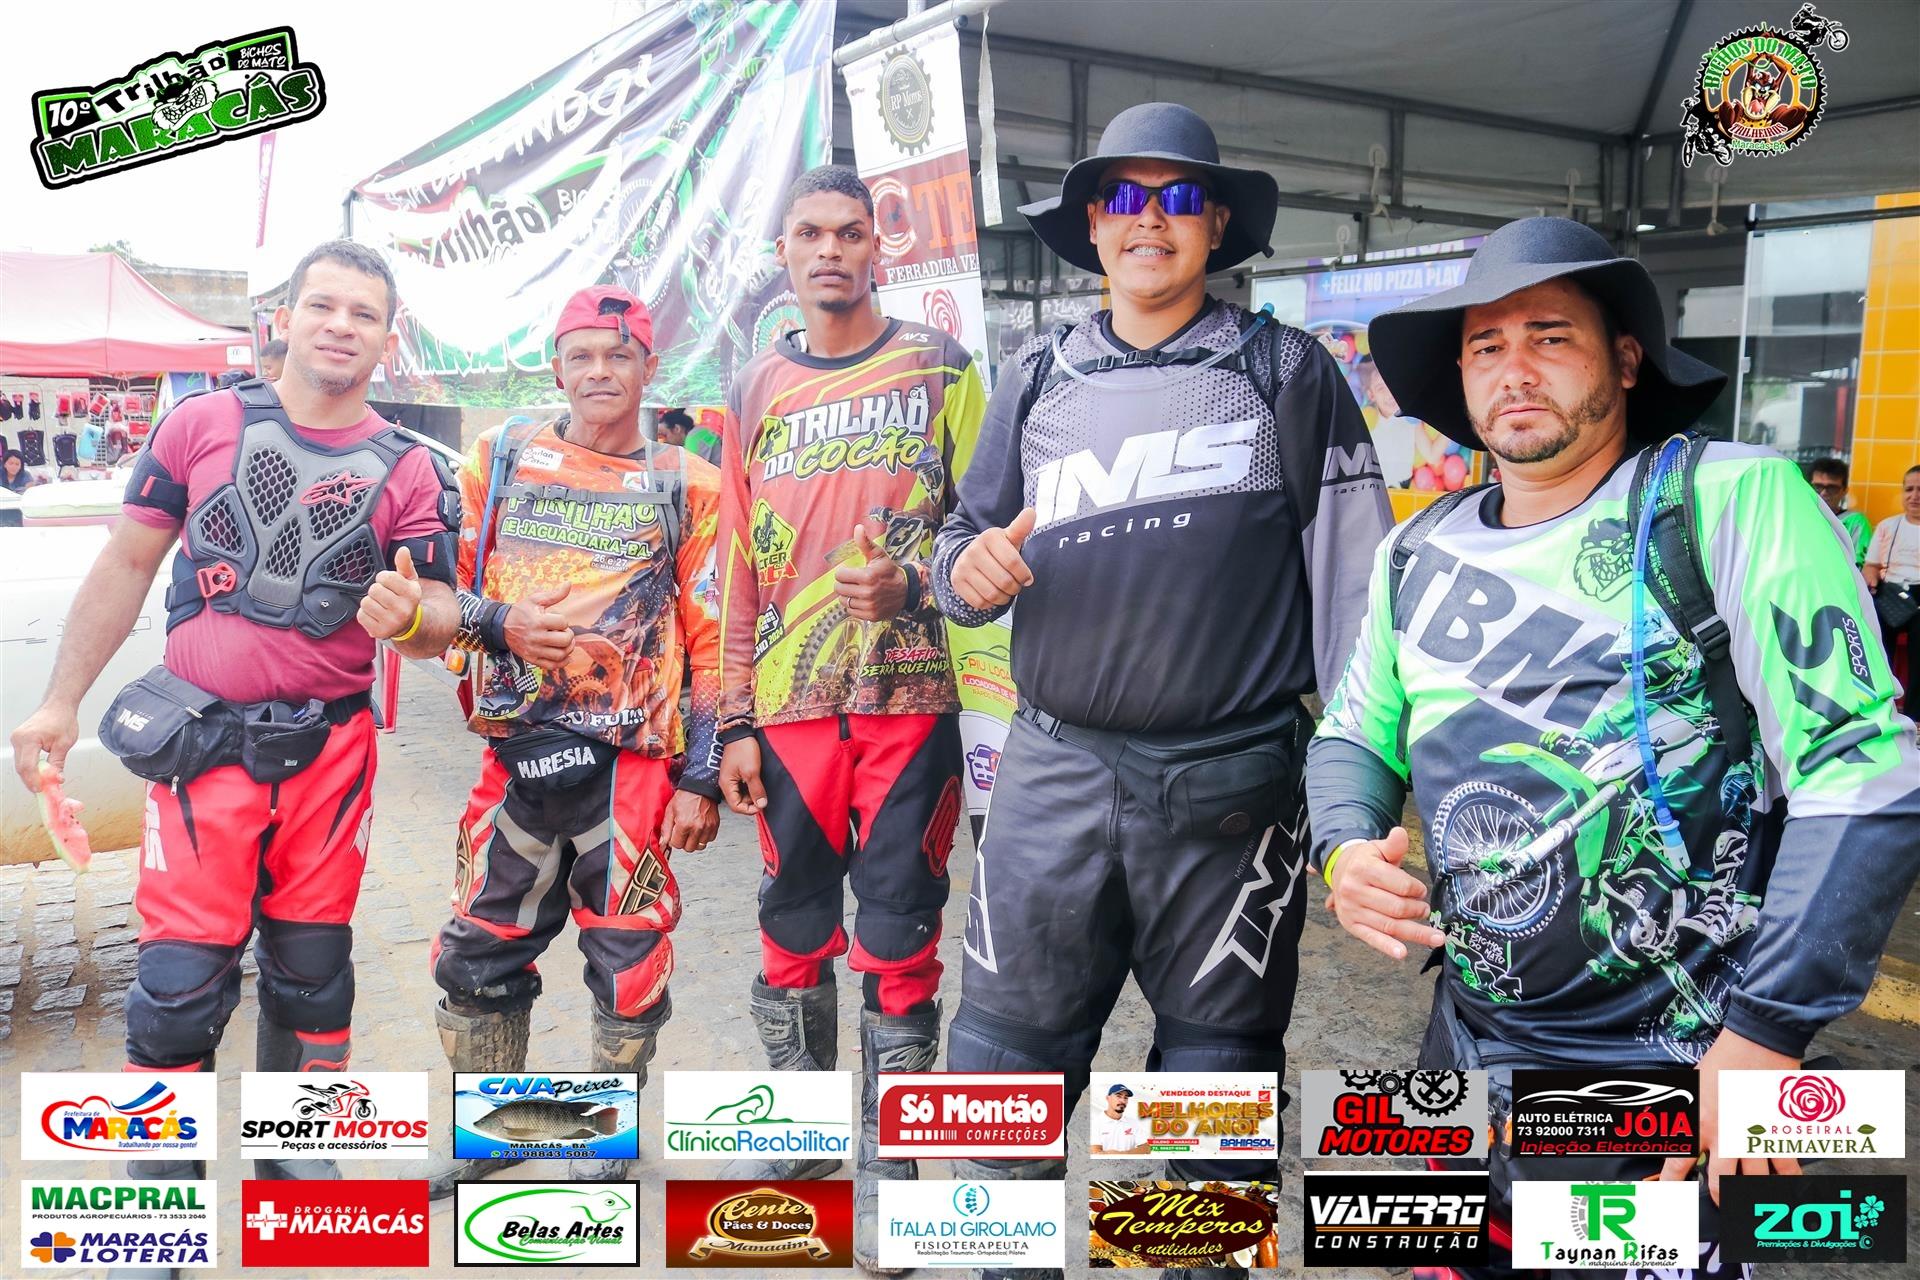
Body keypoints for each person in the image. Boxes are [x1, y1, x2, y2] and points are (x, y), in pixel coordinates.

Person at [1307, 216, 1920, 1280]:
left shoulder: (1729, 497)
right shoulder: (1417, 548)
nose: (1515, 370)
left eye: (1551, 336)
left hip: (1675, 1066)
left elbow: (1863, 771)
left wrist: (1768, 1035)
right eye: (1487, 346)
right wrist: (1347, 847)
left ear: (1625, 359)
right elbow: (1355, 730)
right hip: (1459, 1049)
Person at [931, 102, 1391, 1280]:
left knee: (1212, 1097)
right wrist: (963, 572)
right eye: (1124, 198)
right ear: (1091, 224)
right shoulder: (1036, 373)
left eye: (1179, 197)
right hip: (1051, 777)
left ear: (1217, 224)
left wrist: (1362, 796)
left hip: (1231, 795)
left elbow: (1359, 601)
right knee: (1001, 1075)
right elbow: (961, 540)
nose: (1151, 219)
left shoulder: (1286, 370)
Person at [7, 240, 460, 1207]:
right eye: (323, 305)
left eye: (365, 314)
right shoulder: (200, 423)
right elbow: (127, 564)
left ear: (387, 340)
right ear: (283, 319)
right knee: (177, 985)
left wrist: (412, 619)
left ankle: (296, 1171)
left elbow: (439, 618)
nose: (341, 326)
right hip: (204, 750)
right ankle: (152, 1196)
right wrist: (58, 701)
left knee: (314, 970)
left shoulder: (413, 470)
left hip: (331, 758)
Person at [714, 164, 985, 1273]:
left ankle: (892, 1160)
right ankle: (804, 1135)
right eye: (809, 233)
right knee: (789, 921)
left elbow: (988, 527)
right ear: (783, 250)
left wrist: (917, 580)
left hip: (913, 700)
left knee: (902, 928)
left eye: (850, 231)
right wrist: (730, 718)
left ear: (881, 245)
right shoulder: (751, 389)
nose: (830, 249)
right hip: (787, 712)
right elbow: (736, 565)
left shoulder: (942, 367)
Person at [426, 286, 722, 1196]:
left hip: (629, 771)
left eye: (619, 355)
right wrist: (487, 627)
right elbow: (448, 595)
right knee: (475, 949)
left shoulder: (690, 483)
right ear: (556, 368)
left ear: (649, 368)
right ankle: (498, 1135)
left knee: (628, 961)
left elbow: (715, 637)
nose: (600, 371)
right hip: (511, 756)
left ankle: (603, 1140)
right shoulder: (501, 455)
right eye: (582, 356)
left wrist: (703, 773)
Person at [1863, 464, 1920, 714]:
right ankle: (1880, 708)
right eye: (1909, 489)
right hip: (1891, 593)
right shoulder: (1888, 526)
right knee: (1875, 644)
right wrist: (1871, 581)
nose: (1914, 496)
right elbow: (1871, 566)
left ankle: (1915, 715)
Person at [1808, 456, 1871, 567]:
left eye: (1832, 488)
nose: (1823, 493)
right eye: (1817, 487)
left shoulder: (1856, 522)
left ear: (1844, 491)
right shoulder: (1798, 517)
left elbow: (1857, 564)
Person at [1088, 1084, 1146, 1156]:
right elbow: (1096, 1152)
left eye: (1126, 1098)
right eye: (1118, 1096)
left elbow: (1146, 1148)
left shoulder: (1133, 1123)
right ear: (1108, 1098)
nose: (1123, 1101)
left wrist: (1123, 1154)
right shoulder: (1096, 1123)